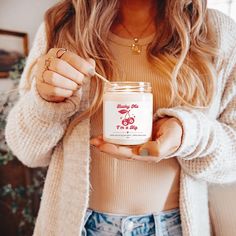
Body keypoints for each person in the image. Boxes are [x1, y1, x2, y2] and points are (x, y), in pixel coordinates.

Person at [5, 0, 236, 235]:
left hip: (175, 226)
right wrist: (46, 103)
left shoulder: (217, 32)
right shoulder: (62, 26)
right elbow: (27, 151)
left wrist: (188, 135)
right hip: (76, 226)